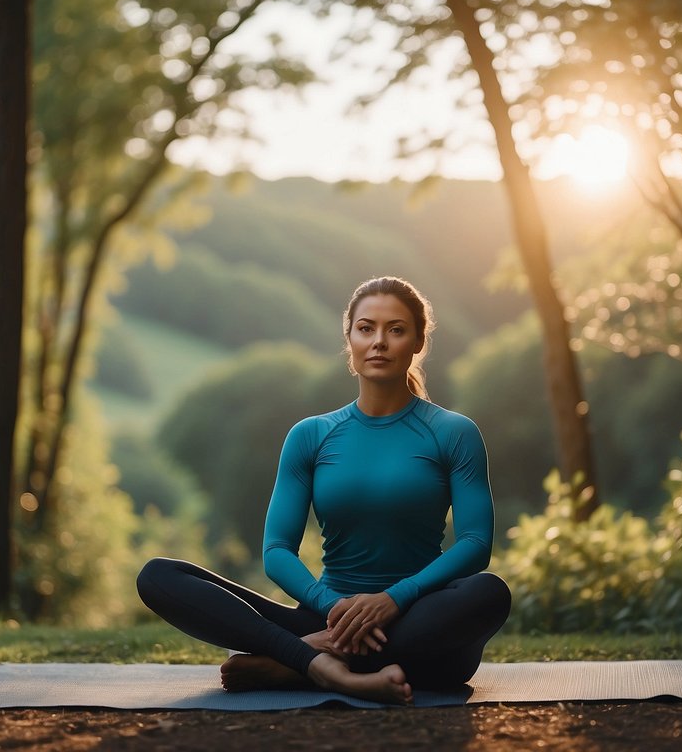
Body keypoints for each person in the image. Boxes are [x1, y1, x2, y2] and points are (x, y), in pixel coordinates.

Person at [137, 276, 511, 705]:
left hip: (422, 622)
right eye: (366, 328)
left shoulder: (453, 433)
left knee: (489, 591)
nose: (379, 342)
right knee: (160, 575)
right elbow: (277, 549)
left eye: (396, 330)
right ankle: (324, 662)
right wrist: (333, 607)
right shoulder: (311, 435)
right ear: (349, 339)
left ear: (417, 343)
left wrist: (393, 599)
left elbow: (476, 543)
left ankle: (292, 663)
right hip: (325, 617)